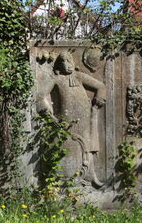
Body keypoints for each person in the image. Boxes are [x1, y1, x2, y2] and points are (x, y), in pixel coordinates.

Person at [37, 52, 106, 187]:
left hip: (85, 116)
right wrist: (48, 113)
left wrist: (99, 100)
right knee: (65, 145)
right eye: (64, 62)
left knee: (88, 144)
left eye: (69, 61)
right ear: (59, 65)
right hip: (66, 118)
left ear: (73, 63)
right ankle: (60, 178)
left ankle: (91, 175)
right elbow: (40, 96)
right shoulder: (56, 78)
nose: (67, 65)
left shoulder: (79, 76)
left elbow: (100, 86)